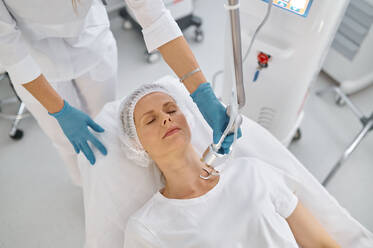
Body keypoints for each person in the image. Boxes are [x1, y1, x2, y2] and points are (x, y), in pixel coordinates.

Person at [0, 0, 239, 186]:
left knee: (108, 125)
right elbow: (9, 48)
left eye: (170, 110)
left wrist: (202, 92)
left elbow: (156, 18)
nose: (166, 119)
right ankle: (87, 186)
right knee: (66, 140)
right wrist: (58, 110)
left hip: (90, 41)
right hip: (31, 60)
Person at [120, 83, 340, 248]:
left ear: (187, 118)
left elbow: (322, 244)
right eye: (150, 120)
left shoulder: (251, 172)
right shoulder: (146, 228)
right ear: (137, 145)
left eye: (171, 110)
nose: (166, 119)